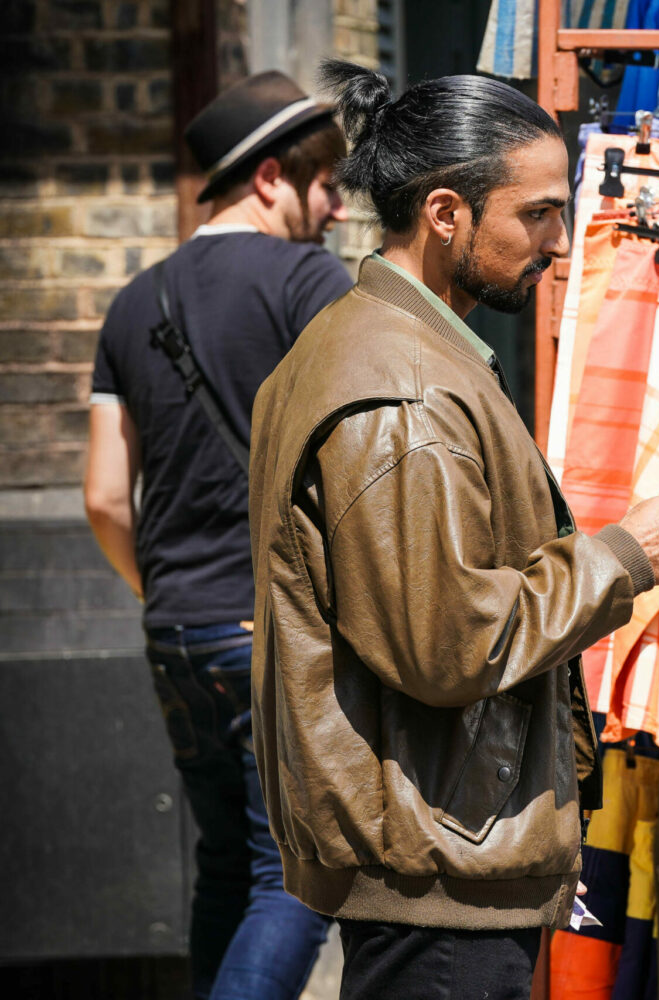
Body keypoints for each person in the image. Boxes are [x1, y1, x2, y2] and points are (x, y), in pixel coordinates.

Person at [248, 62, 659, 999]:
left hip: (439, 849)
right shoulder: (404, 388)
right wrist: (631, 554)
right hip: (439, 865)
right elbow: (450, 641)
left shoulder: (399, 349)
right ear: (447, 212)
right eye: (538, 214)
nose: (560, 242)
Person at [83, 71, 351, 1000]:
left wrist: (163, 597)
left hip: (175, 633)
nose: (338, 207)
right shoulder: (312, 282)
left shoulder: (133, 301)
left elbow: (104, 497)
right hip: (268, 630)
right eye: (327, 185)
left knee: (226, 865)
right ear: (272, 177)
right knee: (298, 873)